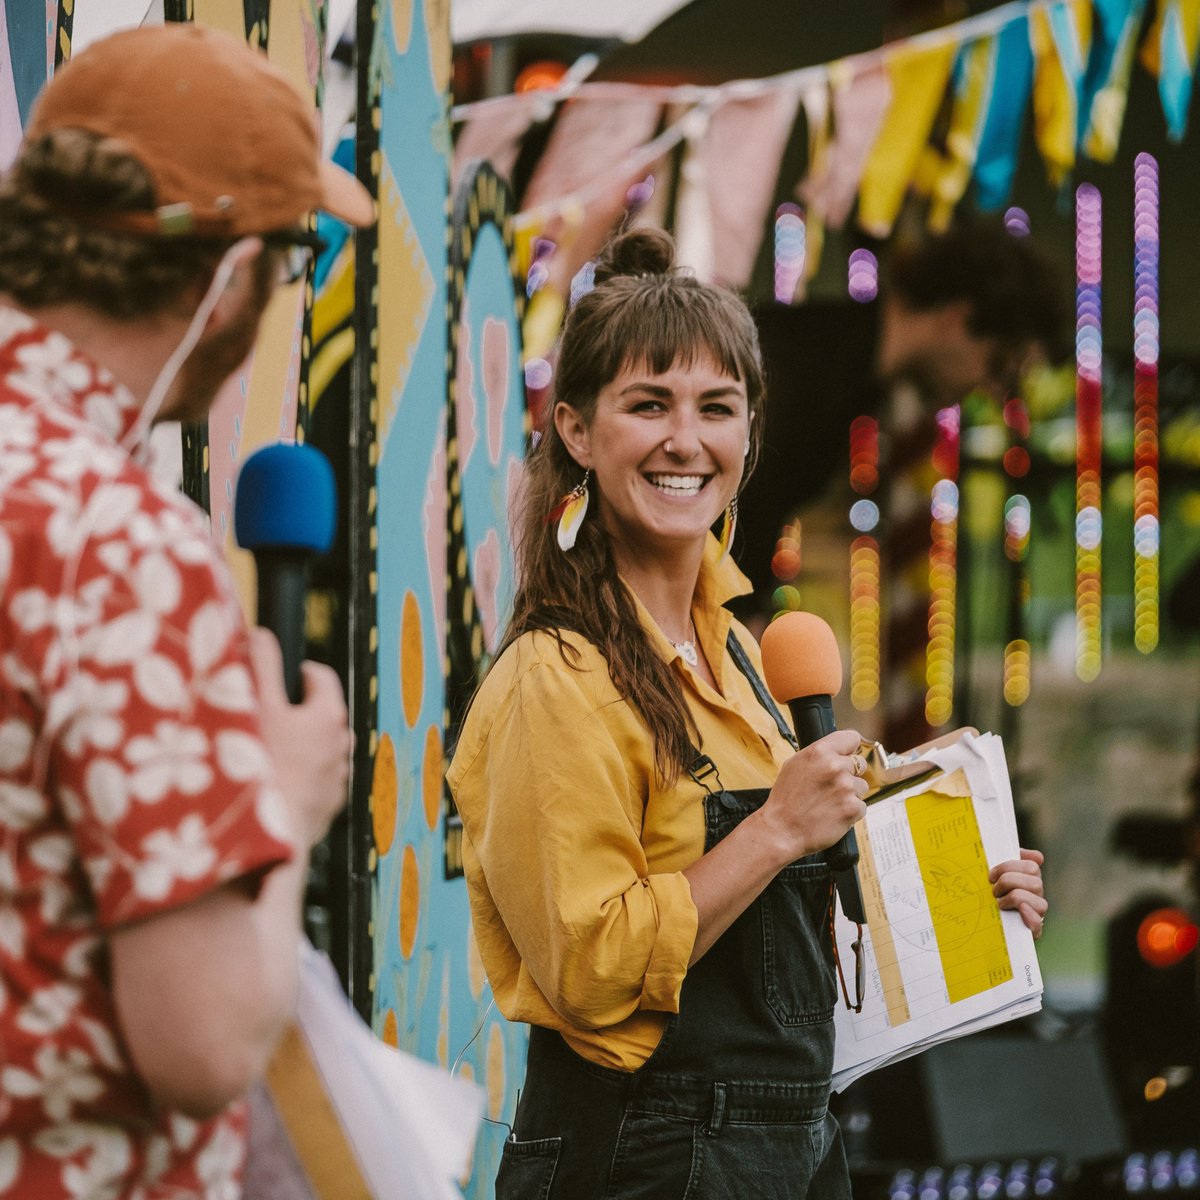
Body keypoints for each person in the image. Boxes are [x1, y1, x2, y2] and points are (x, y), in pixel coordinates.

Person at [447, 225, 1047, 1199]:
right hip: (645, 1155)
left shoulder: (742, 654)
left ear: (748, 437)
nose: (686, 439)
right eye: (648, 406)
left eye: (717, 408)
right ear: (576, 432)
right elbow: (594, 972)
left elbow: (786, 909)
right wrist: (774, 829)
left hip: (796, 1146)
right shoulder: (556, 674)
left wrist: (955, 897)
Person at [0, 24, 373, 1198]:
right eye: (295, 254)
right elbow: (204, 1045)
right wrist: (283, 800)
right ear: (226, 276)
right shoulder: (116, 546)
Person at [736, 219, 1069, 619]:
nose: (992, 391)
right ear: (957, 318)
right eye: (999, 367)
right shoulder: (807, 365)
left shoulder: (848, 372)